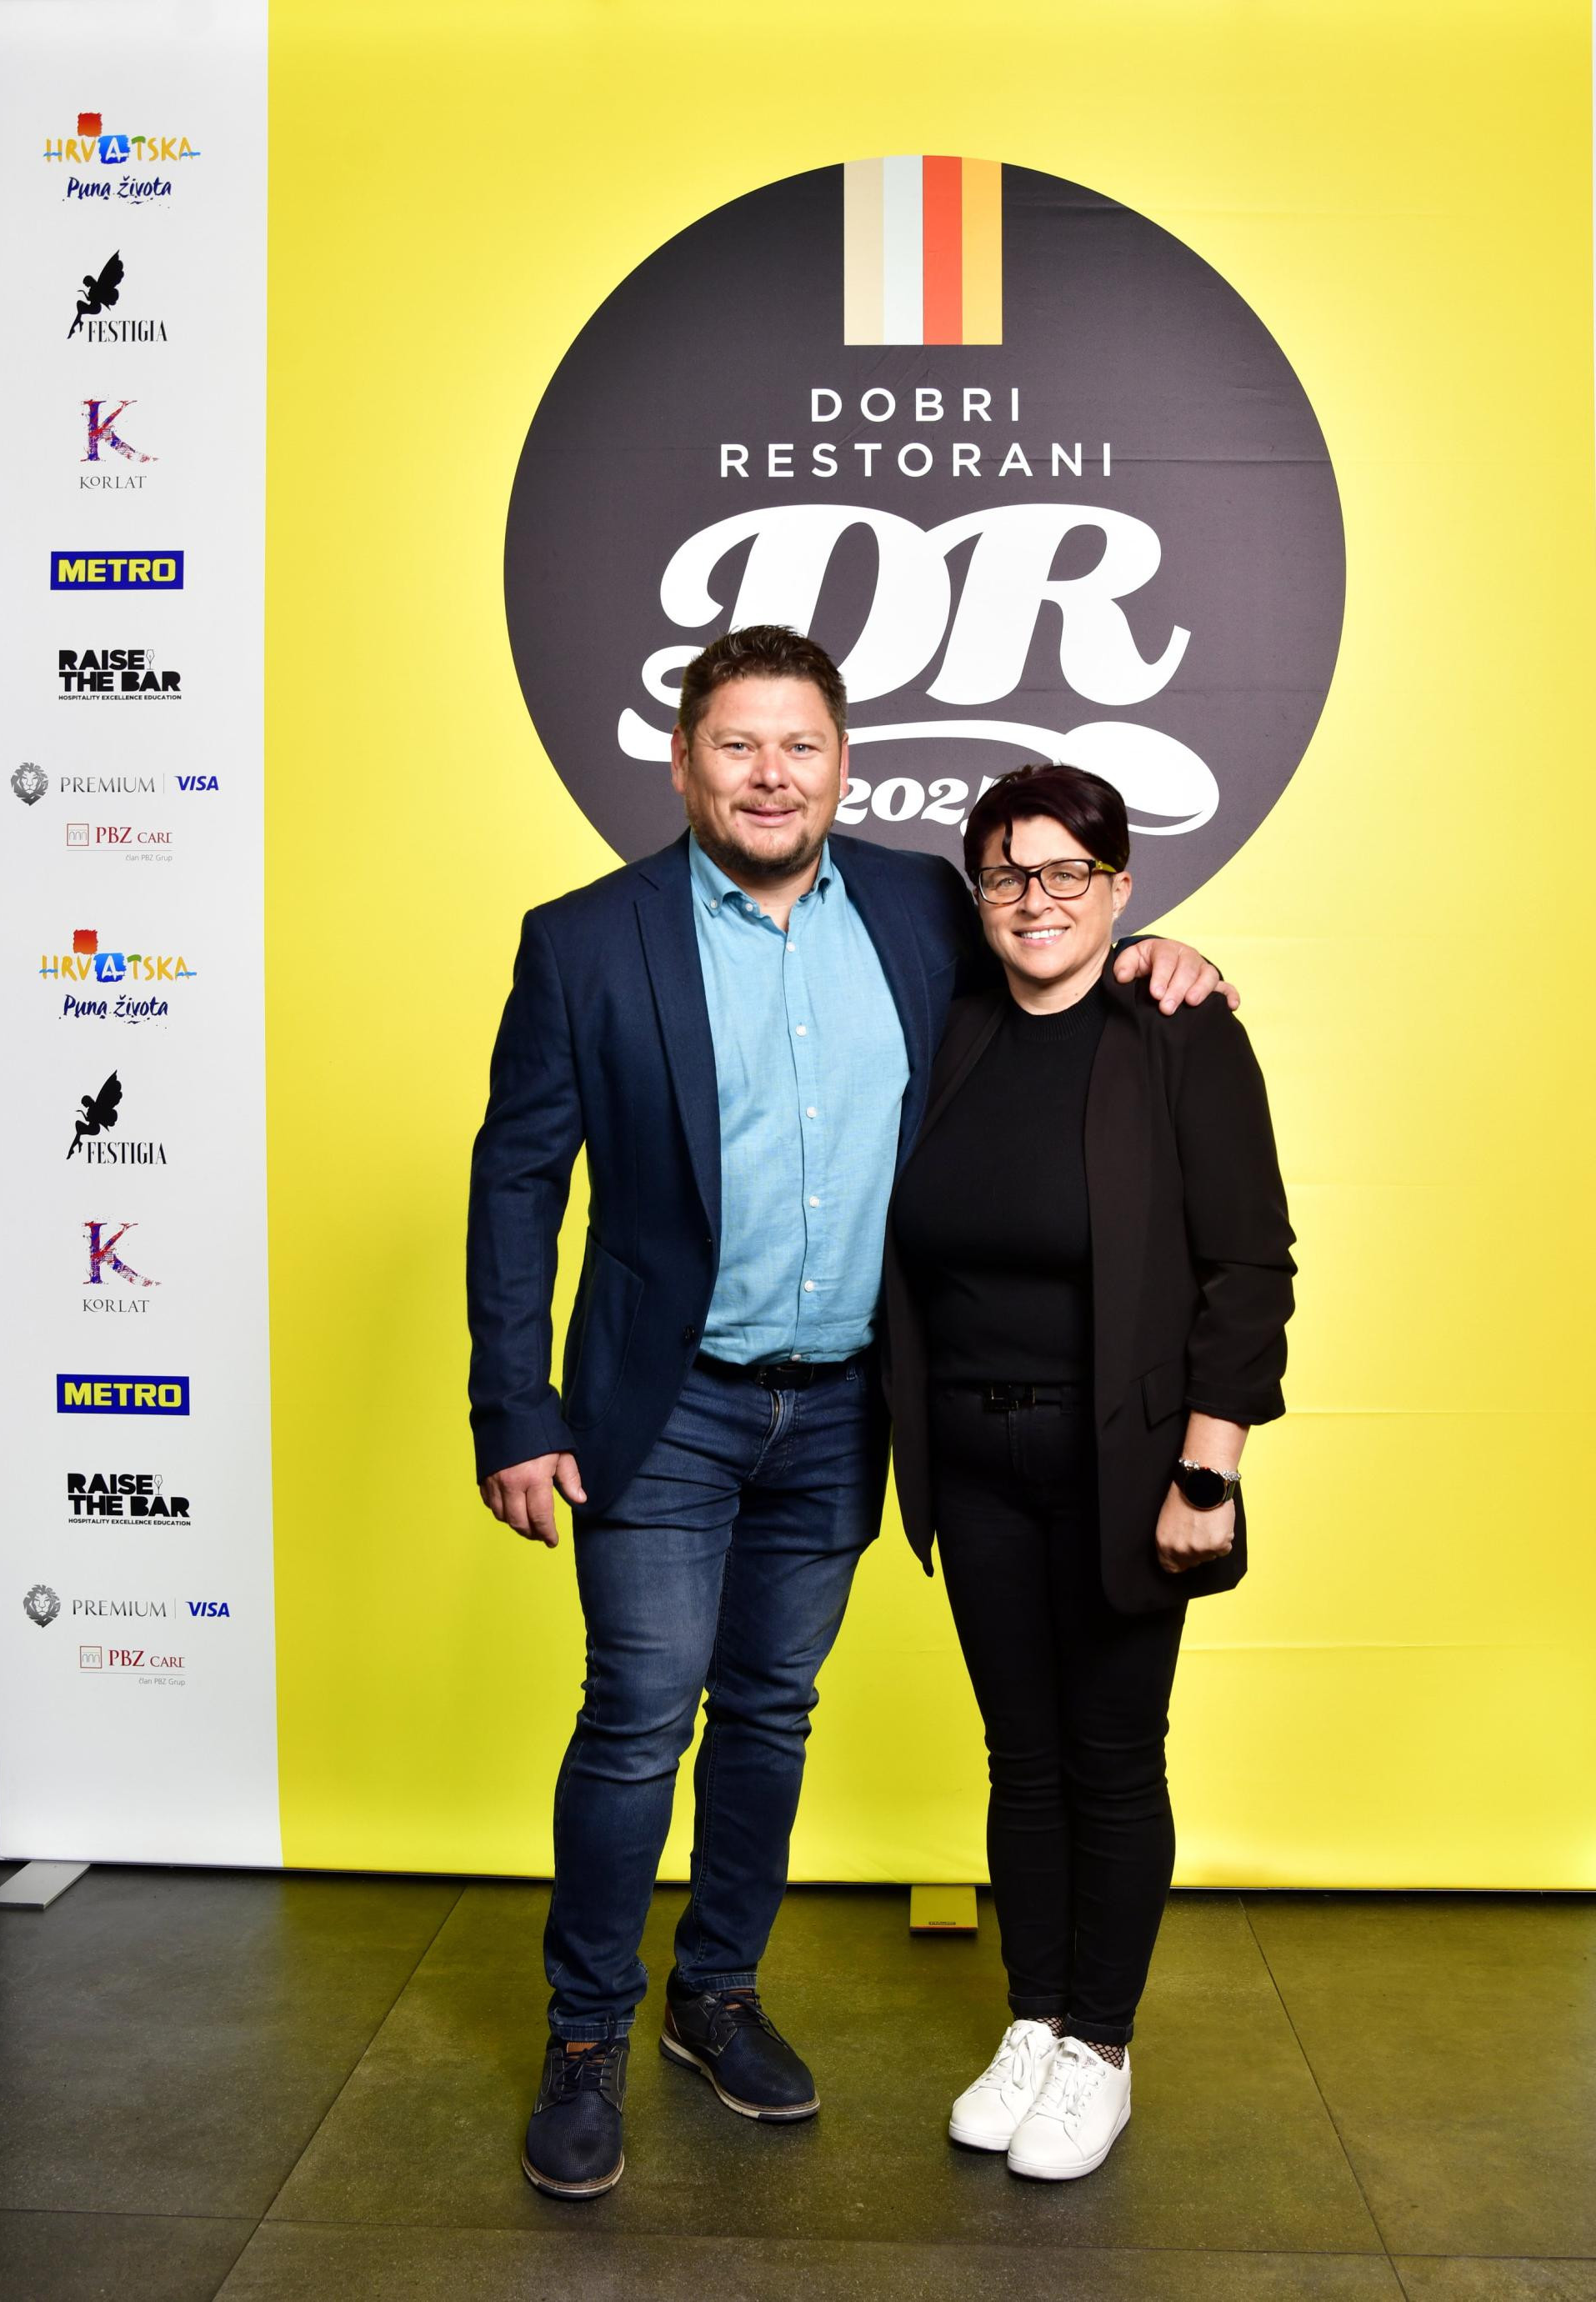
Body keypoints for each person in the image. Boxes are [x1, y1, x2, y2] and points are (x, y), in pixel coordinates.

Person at [468, 630, 1228, 2199]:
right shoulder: (585, 940)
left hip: (845, 1406)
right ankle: (586, 2032)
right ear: (682, 761)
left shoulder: (919, 906)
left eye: (800, 745)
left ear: (842, 764)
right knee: (639, 1714)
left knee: (770, 1711)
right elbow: (517, 1182)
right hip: (664, 1404)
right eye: (737, 744)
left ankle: (716, 1996)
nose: (771, 775)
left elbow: (1058, 951)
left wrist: (1175, 956)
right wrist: (514, 1404)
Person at [884, 763, 1294, 2182]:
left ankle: (1101, 2049)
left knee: (1113, 1757)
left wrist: (1209, 1472)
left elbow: (1249, 1268)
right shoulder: (949, 1027)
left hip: (1127, 1464)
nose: (1036, 899)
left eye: (1069, 872)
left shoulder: (1178, 1032)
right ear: (978, 893)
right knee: (1021, 1754)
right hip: (973, 1461)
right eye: (1008, 873)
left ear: (1120, 887)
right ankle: (1037, 2018)